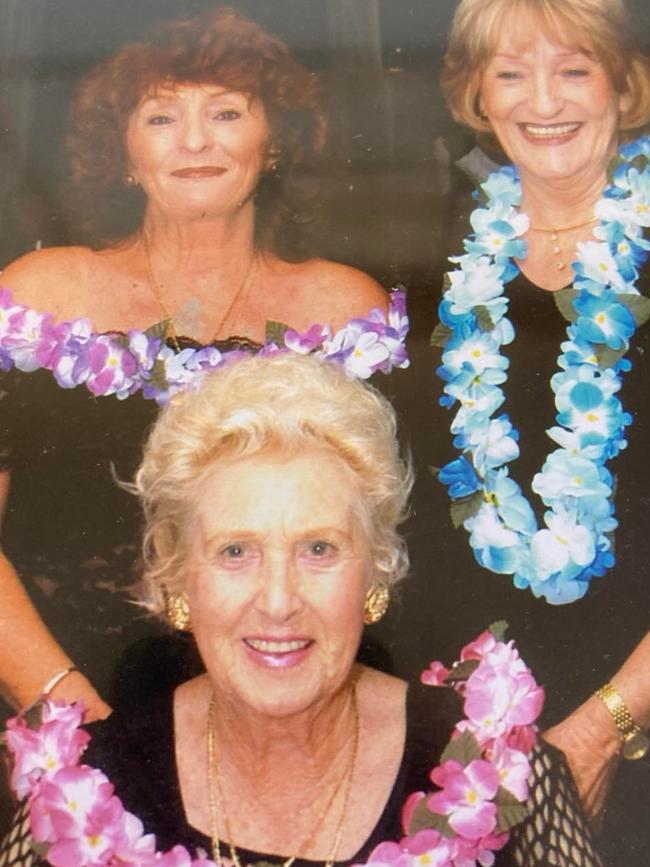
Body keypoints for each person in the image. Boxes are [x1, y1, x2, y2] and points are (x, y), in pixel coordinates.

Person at [0, 353, 603, 867]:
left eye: (319, 549)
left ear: (375, 571)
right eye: (236, 552)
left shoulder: (493, 768)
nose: (280, 601)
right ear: (179, 580)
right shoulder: (93, 781)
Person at [0, 7, 394, 724]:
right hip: (55, 704)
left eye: (226, 112)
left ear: (273, 140)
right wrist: (65, 714)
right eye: (159, 117)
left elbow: (373, 554)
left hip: (283, 706)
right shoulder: (38, 293)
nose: (193, 140)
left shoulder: (345, 308)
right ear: (123, 150)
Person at [420, 0, 650, 856]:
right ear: (477, 96)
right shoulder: (452, 247)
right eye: (511, 73)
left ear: (624, 86)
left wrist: (608, 723)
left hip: (630, 718)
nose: (541, 100)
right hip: (472, 719)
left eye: (574, 69)